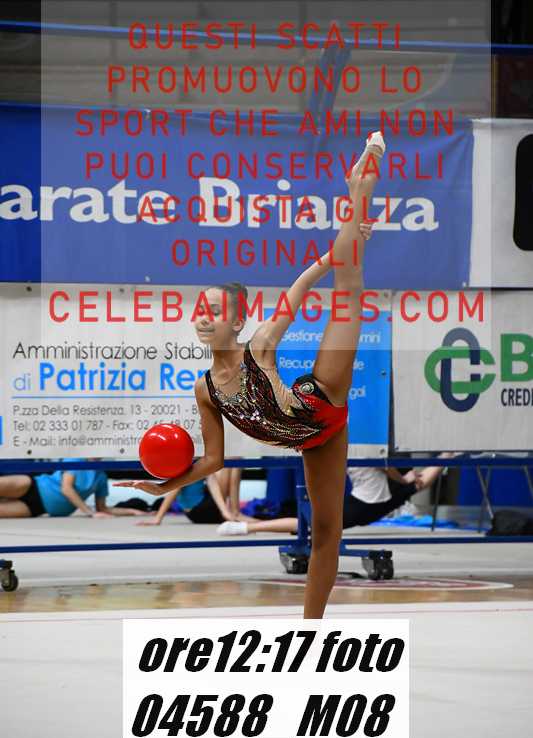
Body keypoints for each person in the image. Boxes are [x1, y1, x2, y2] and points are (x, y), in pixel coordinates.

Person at [116, 131, 385, 618]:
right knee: (324, 532)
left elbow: (297, 292)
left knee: (348, 290)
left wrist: (330, 258)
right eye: (200, 311)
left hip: (322, 398)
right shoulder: (205, 389)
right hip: (312, 440)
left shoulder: (259, 346)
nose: (204, 318)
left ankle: (359, 188)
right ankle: (311, 629)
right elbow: (214, 460)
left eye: (215, 311)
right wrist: (164, 486)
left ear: (236, 322)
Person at [215, 459, 455, 535]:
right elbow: (383, 465)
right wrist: (403, 478)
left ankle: (448, 455)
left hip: (371, 500)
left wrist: (404, 477)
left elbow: (387, 465)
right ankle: (246, 527)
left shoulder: (360, 435)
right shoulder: (360, 439)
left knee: (417, 483)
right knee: (308, 524)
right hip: (366, 502)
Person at [0, 463, 149, 518]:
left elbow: (103, 508)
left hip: (38, 508)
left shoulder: (101, 477)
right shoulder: (76, 461)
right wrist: (89, 512)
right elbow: (66, 488)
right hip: (34, 486)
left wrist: (132, 512)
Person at [136, 467, 254, 526]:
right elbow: (174, 490)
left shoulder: (200, 460)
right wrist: (158, 518)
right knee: (229, 462)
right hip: (199, 511)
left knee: (230, 462)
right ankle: (233, 512)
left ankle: (234, 511)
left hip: (200, 509)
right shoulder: (187, 464)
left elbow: (212, 484)